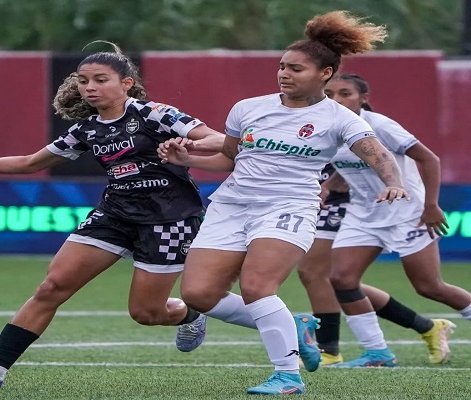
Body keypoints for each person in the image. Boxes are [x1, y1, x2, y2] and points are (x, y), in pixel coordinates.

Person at [0, 42, 227, 390]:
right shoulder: (86, 130)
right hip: (114, 215)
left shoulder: (155, 114)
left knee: (147, 313)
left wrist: (188, 148)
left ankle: (190, 315)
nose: (90, 88)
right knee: (52, 286)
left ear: (126, 83)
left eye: (100, 80)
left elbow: (217, 139)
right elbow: (30, 162)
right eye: (84, 81)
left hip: (170, 220)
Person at [158, 10, 407, 396]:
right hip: (233, 205)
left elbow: (379, 155)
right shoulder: (248, 108)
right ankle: (297, 325)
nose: (284, 74)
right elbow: (229, 157)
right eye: (281, 67)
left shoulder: (340, 118)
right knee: (198, 295)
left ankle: (287, 376)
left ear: (325, 74)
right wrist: (187, 159)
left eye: (295, 69)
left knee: (258, 286)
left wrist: (394, 183)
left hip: (289, 207)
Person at [321, 73, 470, 368]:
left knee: (429, 287)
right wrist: (330, 184)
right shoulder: (325, 128)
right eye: (330, 93)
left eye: (345, 93)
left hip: (407, 213)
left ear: (363, 98)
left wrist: (430, 206)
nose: (337, 99)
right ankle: (377, 353)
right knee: (341, 279)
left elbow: (430, 160)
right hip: (363, 214)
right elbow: (353, 164)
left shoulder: (379, 126)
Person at [298, 159, 455, 366]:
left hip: (343, 198)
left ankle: (329, 350)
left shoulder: (367, 127)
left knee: (317, 273)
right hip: (314, 188)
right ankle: (427, 327)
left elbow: (369, 142)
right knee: (340, 281)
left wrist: (339, 174)